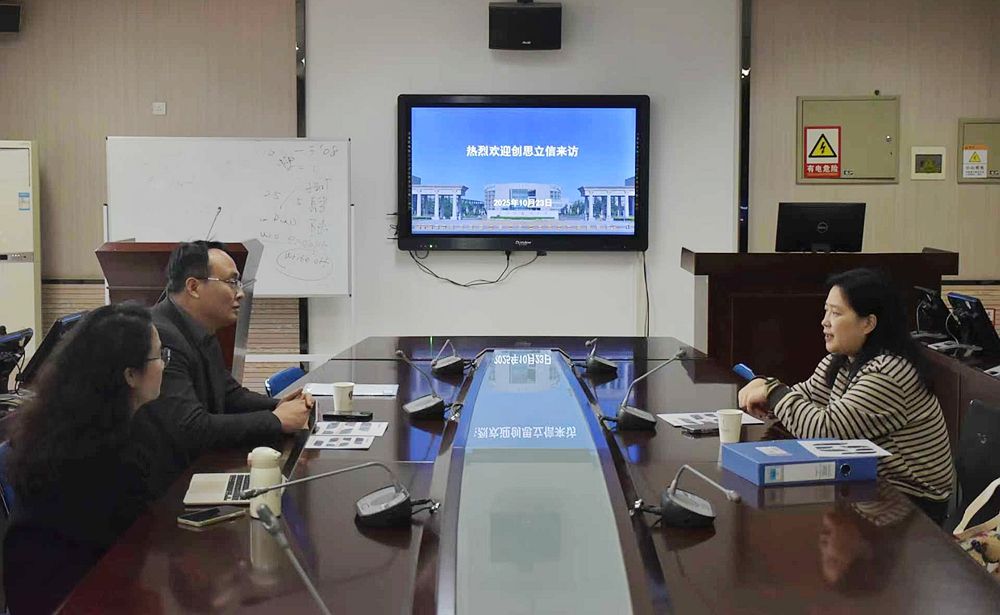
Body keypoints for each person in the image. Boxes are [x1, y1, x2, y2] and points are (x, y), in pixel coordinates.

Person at [738, 268, 955, 523]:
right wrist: (767, 392)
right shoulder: (842, 360)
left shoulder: (889, 373)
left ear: (868, 323)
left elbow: (824, 430)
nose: (825, 321)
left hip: (910, 505)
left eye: (836, 313)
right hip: (867, 485)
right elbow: (803, 400)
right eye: (826, 311)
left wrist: (772, 391)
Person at [3, 304, 167, 614]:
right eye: (159, 356)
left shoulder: (79, 424)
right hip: (67, 600)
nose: (164, 365)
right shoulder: (93, 457)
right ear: (130, 375)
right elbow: (129, 553)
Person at [144, 241, 311, 488]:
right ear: (193, 287)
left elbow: (229, 395)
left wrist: (279, 405)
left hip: (196, 469)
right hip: (165, 486)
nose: (240, 293)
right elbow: (191, 427)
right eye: (232, 282)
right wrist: (276, 420)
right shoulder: (160, 336)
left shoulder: (200, 328)